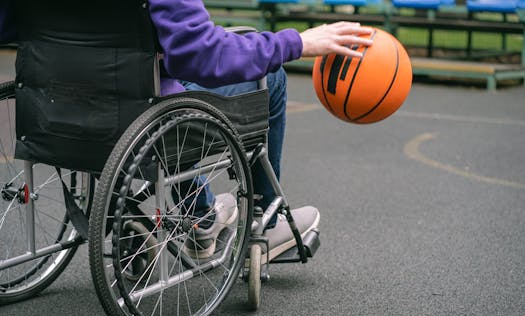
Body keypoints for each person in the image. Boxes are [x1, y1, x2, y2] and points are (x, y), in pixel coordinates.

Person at [1, 0, 373, 260]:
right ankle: (258, 221)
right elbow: (203, 57)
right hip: (139, 118)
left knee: (162, 80)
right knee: (267, 75)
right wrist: (297, 42)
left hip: (52, 110)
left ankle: (201, 213)